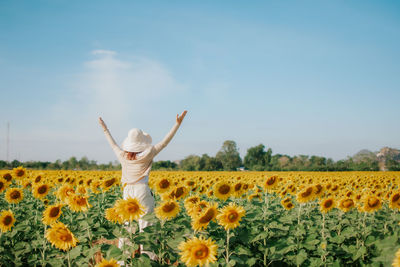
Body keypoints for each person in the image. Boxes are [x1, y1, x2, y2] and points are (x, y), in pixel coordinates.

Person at [98, 110, 187, 261]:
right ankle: (149, 260)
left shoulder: (122, 156)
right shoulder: (148, 154)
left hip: (127, 192)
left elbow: (112, 143)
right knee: (147, 228)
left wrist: (105, 129)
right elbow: (165, 142)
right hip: (142, 190)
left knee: (127, 227)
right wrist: (177, 125)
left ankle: (122, 262)